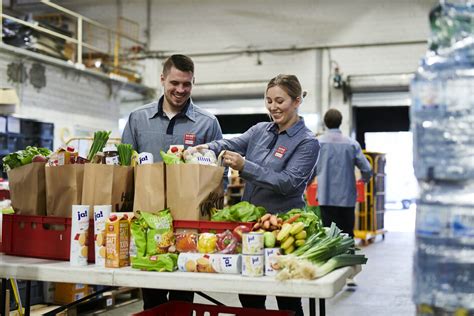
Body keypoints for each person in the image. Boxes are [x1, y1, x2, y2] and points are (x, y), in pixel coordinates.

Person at [190, 74, 319, 316]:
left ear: (297, 100)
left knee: (287, 297)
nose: (273, 107)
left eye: (279, 101)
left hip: (283, 229)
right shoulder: (260, 130)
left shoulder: (307, 142)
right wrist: (208, 147)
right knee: (249, 294)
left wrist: (245, 166)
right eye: (269, 100)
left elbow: (289, 183)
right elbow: (233, 142)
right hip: (250, 228)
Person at [121, 54, 223, 310]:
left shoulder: (207, 123)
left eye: (186, 84)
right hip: (148, 220)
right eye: (175, 83)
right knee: (152, 299)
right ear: (163, 79)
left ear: (193, 82)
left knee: (182, 298)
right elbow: (124, 170)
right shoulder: (138, 118)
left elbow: (218, 177)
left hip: (188, 223)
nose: (180, 90)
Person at [315, 108, 372, 237]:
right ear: (341, 122)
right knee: (347, 235)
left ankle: (333, 258)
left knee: (330, 237)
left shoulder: (318, 143)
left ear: (325, 123)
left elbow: (310, 168)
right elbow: (367, 169)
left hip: (326, 196)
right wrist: (363, 180)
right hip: (347, 198)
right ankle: (349, 257)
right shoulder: (352, 144)